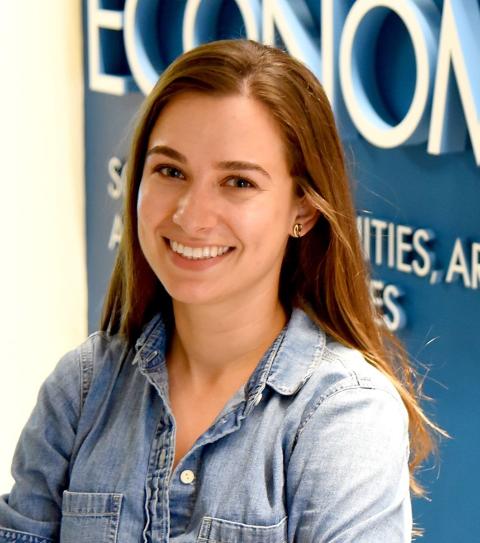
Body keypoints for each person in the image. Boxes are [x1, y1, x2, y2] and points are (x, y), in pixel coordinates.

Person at [0, 39, 438, 543]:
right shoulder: (80, 389)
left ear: (303, 210)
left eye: (238, 182)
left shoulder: (343, 416)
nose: (190, 215)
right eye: (170, 171)